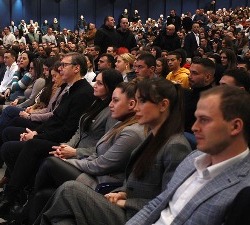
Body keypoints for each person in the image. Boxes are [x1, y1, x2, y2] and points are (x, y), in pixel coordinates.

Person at [35, 78, 191, 224]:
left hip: (137, 216)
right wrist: (122, 192)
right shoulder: (152, 135)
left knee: (70, 189)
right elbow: (134, 180)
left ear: (163, 105)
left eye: (142, 101)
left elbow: (169, 201)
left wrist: (125, 201)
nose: (136, 107)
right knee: (61, 218)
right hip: (122, 202)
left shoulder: (175, 145)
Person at [0, 53, 100, 220]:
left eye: (64, 65)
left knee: (29, 145)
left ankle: (9, 200)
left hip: (64, 141)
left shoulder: (83, 93)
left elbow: (68, 130)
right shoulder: (71, 89)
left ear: (76, 68)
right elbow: (55, 119)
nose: (60, 68)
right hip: (52, 134)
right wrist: (36, 132)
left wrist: (36, 137)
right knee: (9, 146)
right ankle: (19, 196)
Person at [127, 86, 250, 224]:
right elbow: (158, 203)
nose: (194, 127)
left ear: (235, 127)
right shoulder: (193, 158)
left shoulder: (244, 189)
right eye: (196, 119)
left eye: (204, 120)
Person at [30, 80, 146, 223]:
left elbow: (101, 164)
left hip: (102, 183)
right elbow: (94, 150)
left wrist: (71, 160)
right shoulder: (120, 122)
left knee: (50, 162)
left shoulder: (131, 133)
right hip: (92, 170)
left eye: (115, 101)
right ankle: (25, 209)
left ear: (132, 104)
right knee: (43, 194)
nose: (110, 105)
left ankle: (22, 207)